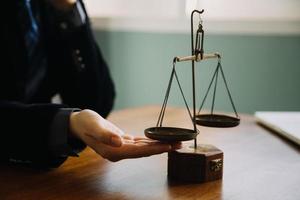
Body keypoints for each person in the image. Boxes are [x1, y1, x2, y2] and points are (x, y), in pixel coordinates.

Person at [0, 0, 180, 168]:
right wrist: (68, 124)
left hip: (31, 168)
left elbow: (96, 103)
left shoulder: (43, 6)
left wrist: (69, 10)